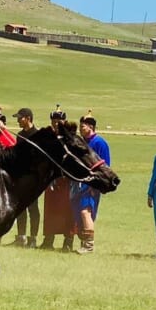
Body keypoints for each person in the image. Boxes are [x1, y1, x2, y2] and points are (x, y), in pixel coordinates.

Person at [72, 113, 111, 254]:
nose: (80, 129)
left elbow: (105, 166)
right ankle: (83, 242)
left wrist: (97, 185)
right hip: (79, 183)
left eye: (83, 126)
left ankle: (89, 245)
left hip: (91, 184)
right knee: (79, 213)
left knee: (85, 211)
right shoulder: (81, 142)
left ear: (91, 127)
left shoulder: (100, 143)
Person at [40, 108, 75, 250]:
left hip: (66, 179)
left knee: (68, 211)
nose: (56, 124)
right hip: (51, 179)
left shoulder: (70, 138)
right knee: (50, 210)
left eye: (59, 121)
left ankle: (68, 241)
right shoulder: (47, 137)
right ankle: (48, 240)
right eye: (54, 121)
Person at [11, 108, 41, 247]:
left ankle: (33, 238)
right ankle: (21, 237)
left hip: (33, 178)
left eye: (20, 118)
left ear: (28, 118)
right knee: (20, 208)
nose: (18, 120)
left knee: (33, 209)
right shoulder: (20, 135)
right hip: (21, 178)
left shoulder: (38, 135)